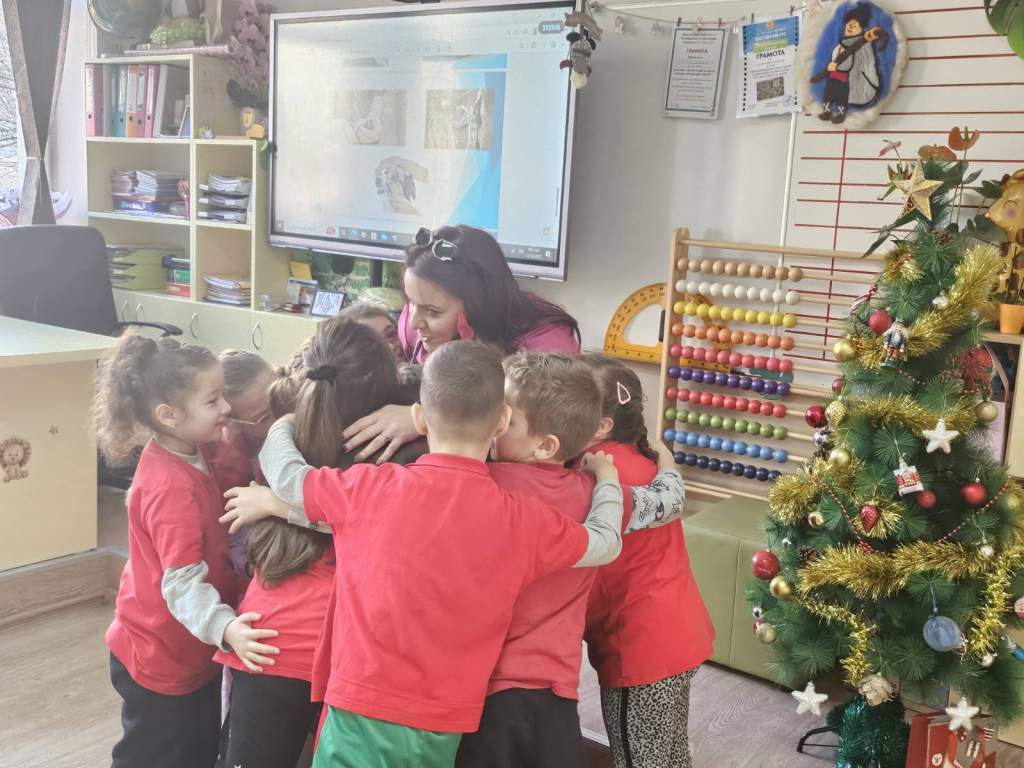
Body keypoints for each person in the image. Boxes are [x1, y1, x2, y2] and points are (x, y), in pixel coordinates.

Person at [221, 341, 624, 767]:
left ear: (418, 417)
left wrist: (286, 423)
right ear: (502, 421)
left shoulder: (370, 489)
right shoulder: (524, 518)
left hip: (361, 703)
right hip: (448, 719)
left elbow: (287, 476)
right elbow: (604, 542)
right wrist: (606, 478)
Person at [456, 352, 686, 768]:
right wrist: (661, 464)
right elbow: (669, 501)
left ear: (547, 442)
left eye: (505, 415)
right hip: (556, 689)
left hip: (493, 688)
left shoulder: (480, 484)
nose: (495, 421)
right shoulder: (594, 490)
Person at [216, 317, 422, 768]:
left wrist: (277, 500)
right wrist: (418, 416)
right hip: (359, 653)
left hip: (271, 640)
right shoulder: (413, 455)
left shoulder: (285, 442)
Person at [94, 333, 279, 768]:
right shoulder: (172, 490)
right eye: (213, 401)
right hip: (161, 656)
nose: (227, 408)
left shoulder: (198, 446)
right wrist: (225, 627)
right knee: (158, 757)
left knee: (196, 750)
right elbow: (180, 585)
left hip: (189, 646)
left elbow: (235, 472)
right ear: (168, 415)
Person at [573, 354, 715, 768]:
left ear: (601, 425)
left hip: (641, 647)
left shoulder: (596, 477)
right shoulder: (644, 459)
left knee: (640, 760)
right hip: (676, 633)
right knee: (671, 756)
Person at [340, 225, 580, 464]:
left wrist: (431, 417)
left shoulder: (547, 346)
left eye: (432, 312)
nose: (413, 322)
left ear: (478, 310)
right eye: (410, 302)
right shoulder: (414, 325)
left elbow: (549, 434)